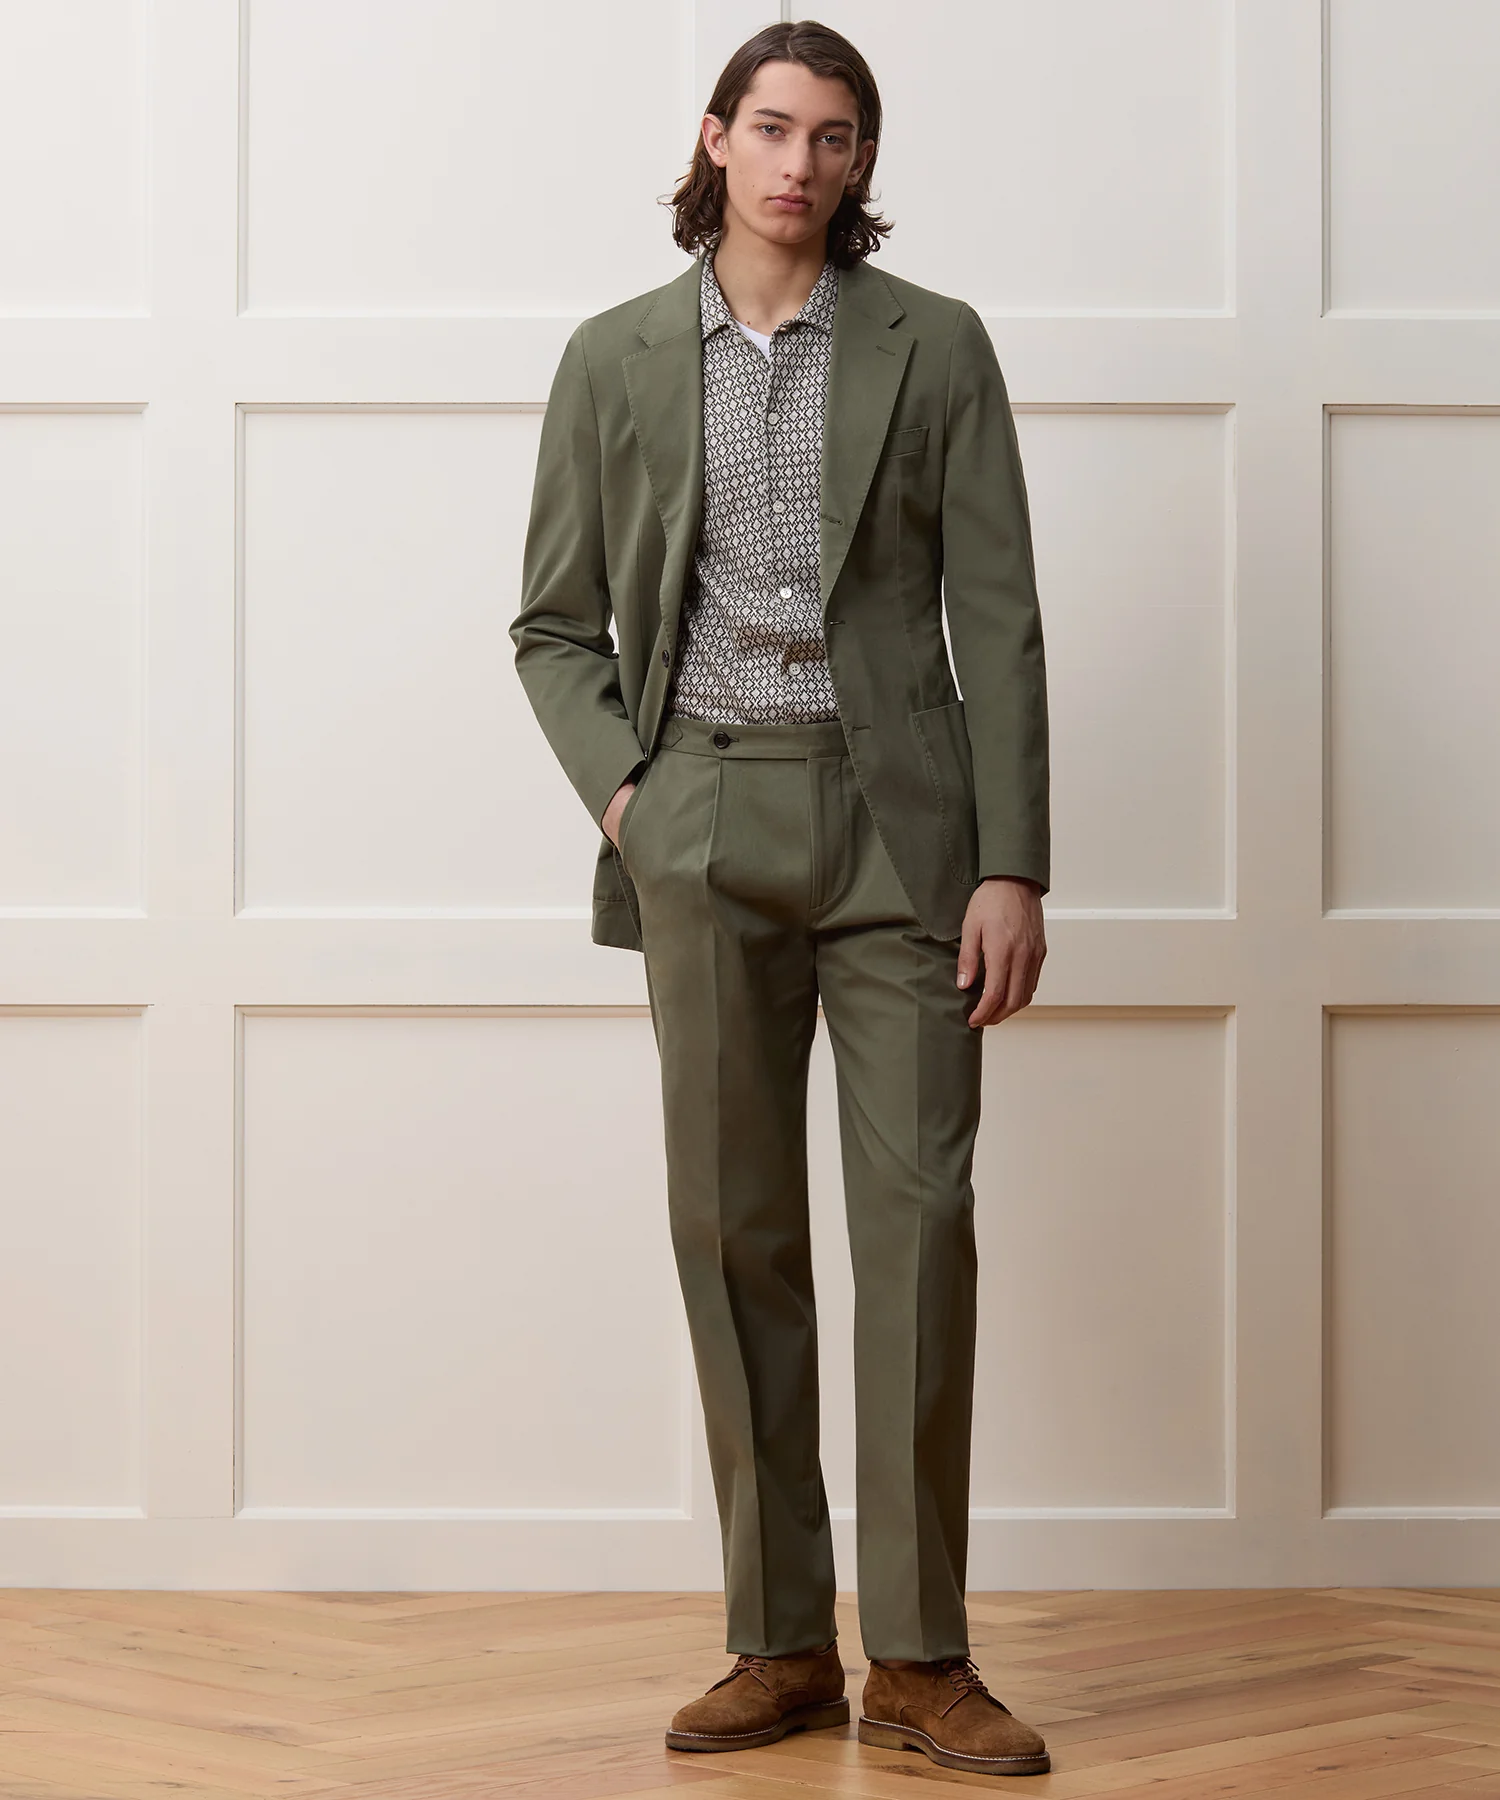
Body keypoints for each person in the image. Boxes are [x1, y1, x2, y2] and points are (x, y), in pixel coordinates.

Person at [509, 18, 1051, 1780]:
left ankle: (923, 1658)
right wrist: (633, 798)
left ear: (860, 162)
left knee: (921, 1232)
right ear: (715, 139)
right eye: (770, 127)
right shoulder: (612, 357)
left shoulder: (935, 345)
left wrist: (1010, 860)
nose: (797, 163)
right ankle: (779, 1643)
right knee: (734, 1230)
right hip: (702, 814)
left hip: (904, 830)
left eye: (831, 136)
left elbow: (999, 620)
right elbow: (554, 625)